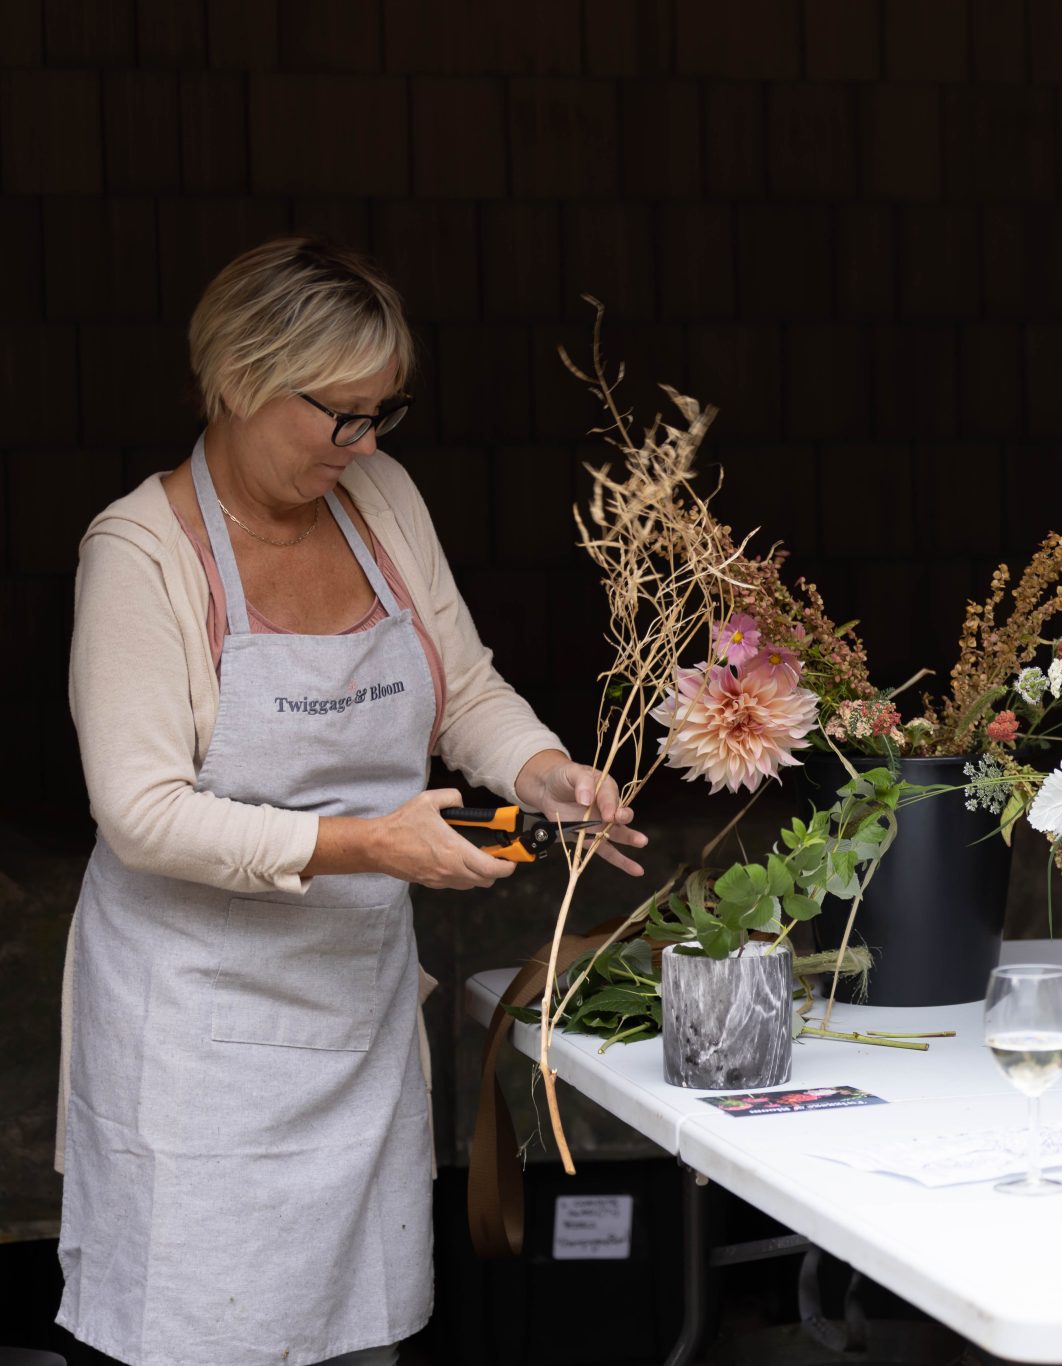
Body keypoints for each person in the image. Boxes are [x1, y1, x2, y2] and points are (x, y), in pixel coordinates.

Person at [58, 237, 649, 1366]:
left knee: (355, 1340)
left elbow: (462, 687)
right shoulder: (140, 554)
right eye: (341, 414)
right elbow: (140, 813)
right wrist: (373, 842)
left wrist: (539, 768)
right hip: (196, 1044)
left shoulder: (379, 498)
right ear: (239, 380)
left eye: (385, 413)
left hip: (355, 1016)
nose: (366, 442)